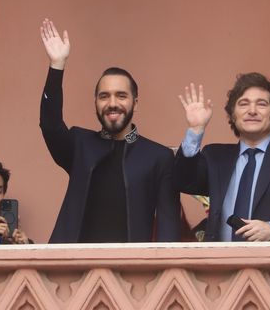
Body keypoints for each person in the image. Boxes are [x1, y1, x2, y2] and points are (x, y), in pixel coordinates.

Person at [39, 18, 180, 243]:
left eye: (121, 96)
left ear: (136, 102)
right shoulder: (80, 144)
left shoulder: (159, 157)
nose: (112, 103)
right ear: (95, 102)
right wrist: (57, 66)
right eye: (104, 96)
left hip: (131, 272)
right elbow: (50, 124)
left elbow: (168, 225)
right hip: (74, 271)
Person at [174, 73, 270, 241]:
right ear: (233, 115)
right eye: (243, 104)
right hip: (220, 264)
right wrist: (196, 130)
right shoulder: (215, 156)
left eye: (262, 104)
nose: (252, 111)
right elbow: (183, 181)